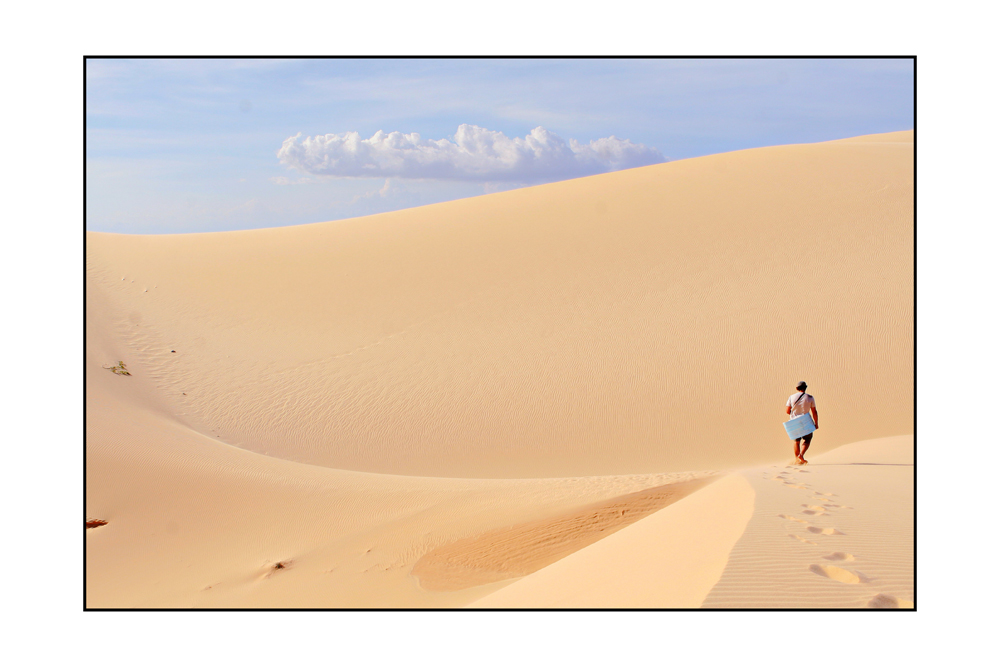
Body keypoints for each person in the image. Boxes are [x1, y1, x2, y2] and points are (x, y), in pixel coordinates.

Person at [786, 381, 818, 464]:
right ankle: (801, 455)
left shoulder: (791, 397)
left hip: (794, 421)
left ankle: (797, 459)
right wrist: (816, 423)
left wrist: (794, 414)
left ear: (797, 388)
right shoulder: (810, 397)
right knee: (807, 439)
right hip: (806, 421)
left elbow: (787, 411)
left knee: (796, 441)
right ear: (805, 387)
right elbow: (814, 412)